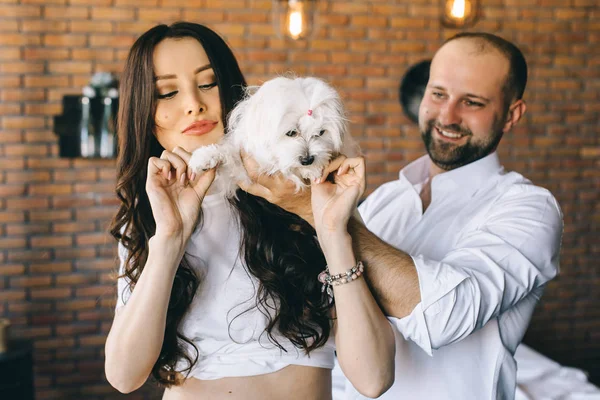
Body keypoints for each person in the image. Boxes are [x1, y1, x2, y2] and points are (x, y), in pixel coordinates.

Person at [239, 32, 564, 399]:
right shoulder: (384, 201)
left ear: (511, 114)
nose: (447, 115)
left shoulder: (530, 210)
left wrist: (319, 216)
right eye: (438, 93)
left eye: (472, 102)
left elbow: (443, 318)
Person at [104, 22, 395, 400]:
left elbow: (374, 379)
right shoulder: (152, 217)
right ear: (145, 111)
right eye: (168, 92)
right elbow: (124, 375)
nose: (194, 103)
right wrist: (171, 238)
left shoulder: (302, 190)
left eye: (207, 84)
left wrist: (330, 232)